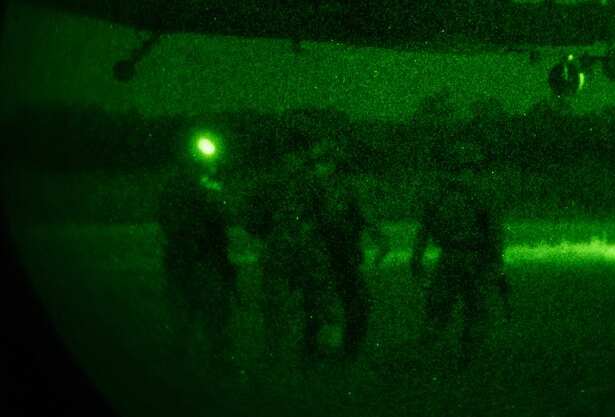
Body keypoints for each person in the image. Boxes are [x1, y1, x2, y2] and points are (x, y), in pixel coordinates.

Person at [259, 135, 388, 363]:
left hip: (342, 257)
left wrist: (379, 240)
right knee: (318, 310)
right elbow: (290, 223)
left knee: (355, 306)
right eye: (318, 161)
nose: (321, 166)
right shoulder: (306, 188)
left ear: (334, 162)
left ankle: (344, 353)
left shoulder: (345, 187)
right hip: (318, 258)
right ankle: (314, 353)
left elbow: (364, 216)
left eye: (325, 161)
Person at [409, 140, 509, 368]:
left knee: (439, 309)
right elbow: (494, 233)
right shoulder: (483, 194)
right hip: (474, 260)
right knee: (474, 310)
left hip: (450, 259)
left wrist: (416, 259)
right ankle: (468, 359)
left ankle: (425, 356)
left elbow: (423, 230)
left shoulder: (439, 195)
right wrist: (496, 263)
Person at [157, 130, 239, 370]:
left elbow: (222, 216)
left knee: (192, 313)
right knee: (206, 313)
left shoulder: (186, 185)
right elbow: (221, 215)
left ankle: (188, 358)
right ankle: (209, 359)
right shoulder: (195, 186)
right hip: (197, 259)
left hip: (193, 257)